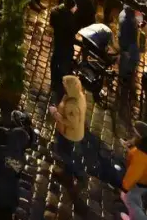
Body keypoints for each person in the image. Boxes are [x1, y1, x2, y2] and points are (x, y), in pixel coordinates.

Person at [50, 76, 87, 205]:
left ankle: (75, 174)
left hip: (69, 134)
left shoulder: (73, 105)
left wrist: (55, 114)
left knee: (65, 153)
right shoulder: (78, 96)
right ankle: (68, 173)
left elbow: (72, 123)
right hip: (70, 133)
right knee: (66, 154)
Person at [121, 121, 147, 220]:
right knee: (135, 197)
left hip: (141, 181)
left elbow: (134, 173)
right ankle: (132, 217)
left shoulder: (140, 156)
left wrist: (125, 188)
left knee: (129, 200)